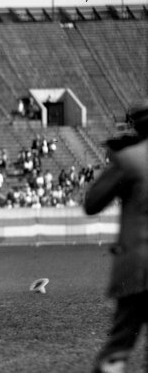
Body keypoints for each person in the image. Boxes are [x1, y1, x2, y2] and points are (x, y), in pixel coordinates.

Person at [84, 99, 148, 373]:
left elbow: (92, 203)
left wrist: (115, 159)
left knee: (119, 346)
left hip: (137, 266)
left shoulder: (129, 158)